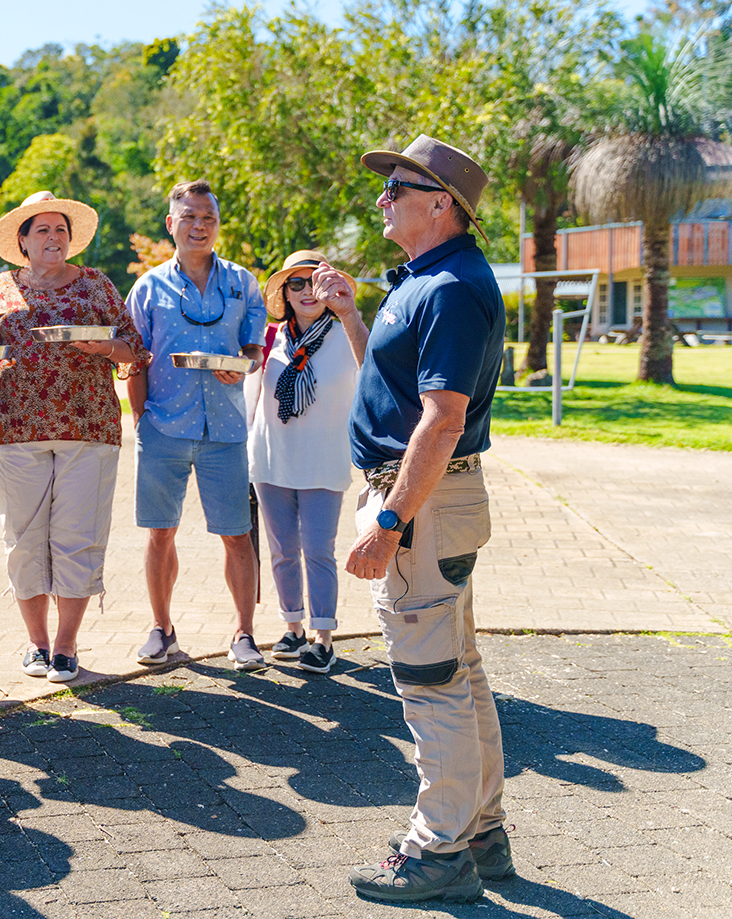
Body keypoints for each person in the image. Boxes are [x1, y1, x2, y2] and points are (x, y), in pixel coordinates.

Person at [343, 135, 508, 903]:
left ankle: (438, 852)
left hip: (424, 502)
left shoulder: (447, 287)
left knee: (431, 679)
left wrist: (390, 520)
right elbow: (395, 383)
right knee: (461, 672)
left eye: (397, 189)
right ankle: (478, 833)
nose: (383, 199)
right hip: (439, 500)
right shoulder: (434, 278)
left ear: (441, 204)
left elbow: (441, 421)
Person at [0, 192, 147, 684]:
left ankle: (66, 647)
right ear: (22, 241)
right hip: (16, 431)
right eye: (41, 230)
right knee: (23, 540)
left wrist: (104, 345)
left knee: (77, 539)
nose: (53, 237)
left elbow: (134, 351)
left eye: (59, 229)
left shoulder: (96, 284)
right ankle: (36, 643)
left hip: (89, 429)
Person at [124, 180, 268, 672]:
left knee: (237, 534)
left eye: (207, 217)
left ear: (217, 225)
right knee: (160, 533)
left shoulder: (243, 284)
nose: (198, 225)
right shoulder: (148, 287)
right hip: (163, 425)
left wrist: (244, 364)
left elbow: (253, 348)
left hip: (226, 429)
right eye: (188, 217)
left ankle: (245, 634)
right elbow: (135, 358)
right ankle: (162, 630)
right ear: (171, 225)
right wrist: (142, 420)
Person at [246, 251, 368, 674]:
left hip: (324, 457)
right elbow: (252, 395)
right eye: (295, 283)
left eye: (314, 281)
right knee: (282, 551)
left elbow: (372, 370)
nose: (306, 291)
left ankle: (323, 638)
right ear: (284, 293)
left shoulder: (345, 333)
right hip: (270, 458)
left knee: (318, 549)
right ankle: (293, 628)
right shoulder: (269, 338)